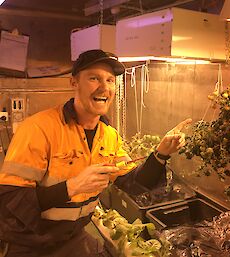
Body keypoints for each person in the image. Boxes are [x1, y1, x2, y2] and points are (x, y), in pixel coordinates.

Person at [0, 49, 192, 257]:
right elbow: (11, 202)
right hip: (28, 242)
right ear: (74, 83)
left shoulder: (108, 135)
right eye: (94, 78)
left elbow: (132, 183)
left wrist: (161, 154)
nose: (104, 87)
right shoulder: (39, 129)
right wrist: (72, 187)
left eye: (110, 80)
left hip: (72, 235)